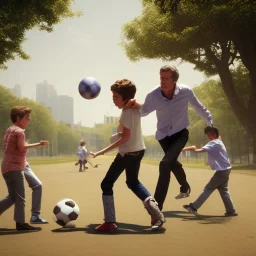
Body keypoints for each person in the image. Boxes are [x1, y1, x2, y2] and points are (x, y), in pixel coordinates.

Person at [126, 65, 213, 211]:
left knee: (165, 164)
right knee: (172, 163)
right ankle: (185, 186)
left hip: (180, 133)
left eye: (166, 78)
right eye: (161, 77)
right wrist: (133, 106)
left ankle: (157, 206)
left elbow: (199, 107)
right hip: (163, 136)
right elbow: (144, 111)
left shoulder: (185, 91)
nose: (162, 81)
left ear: (174, 80)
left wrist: (209, 121)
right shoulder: (153, 95)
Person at [90, 79, 165, 231]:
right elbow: (140, 111)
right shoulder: (135, 108)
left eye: (116, 97)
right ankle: (156, 213)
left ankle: (110, 222)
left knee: (106, 184)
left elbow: (125, 138)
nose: (113, 99)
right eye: (113, 96)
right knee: (132, 182)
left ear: (125, 98)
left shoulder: (126, 112)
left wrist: (101, 151)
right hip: (139, 150)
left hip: (127, 153)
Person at [0, 106, 48, 231]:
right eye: (27, 118)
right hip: (16, 167)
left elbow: (16, 147)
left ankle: (22, 221)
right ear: (18, 118)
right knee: (20, 197)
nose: (29, 120)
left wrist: (37, 144)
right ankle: (21, 223)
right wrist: (37, 144)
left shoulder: (10, 130)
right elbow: (22, 148)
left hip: (6, 167)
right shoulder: (20, 132)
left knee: (12, 197)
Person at [182, 126, 238, 217]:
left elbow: (199, 151)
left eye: (209, 134)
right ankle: (231, 211)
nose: (208, 136)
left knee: (208, 189)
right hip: (226, 169)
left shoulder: (214, 142)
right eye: (207, 134)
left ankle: (194, 206)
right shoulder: (219, 140)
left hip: (222, 171)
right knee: (224, 190)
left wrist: (191, 148)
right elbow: (219, 137)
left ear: (214, 134)